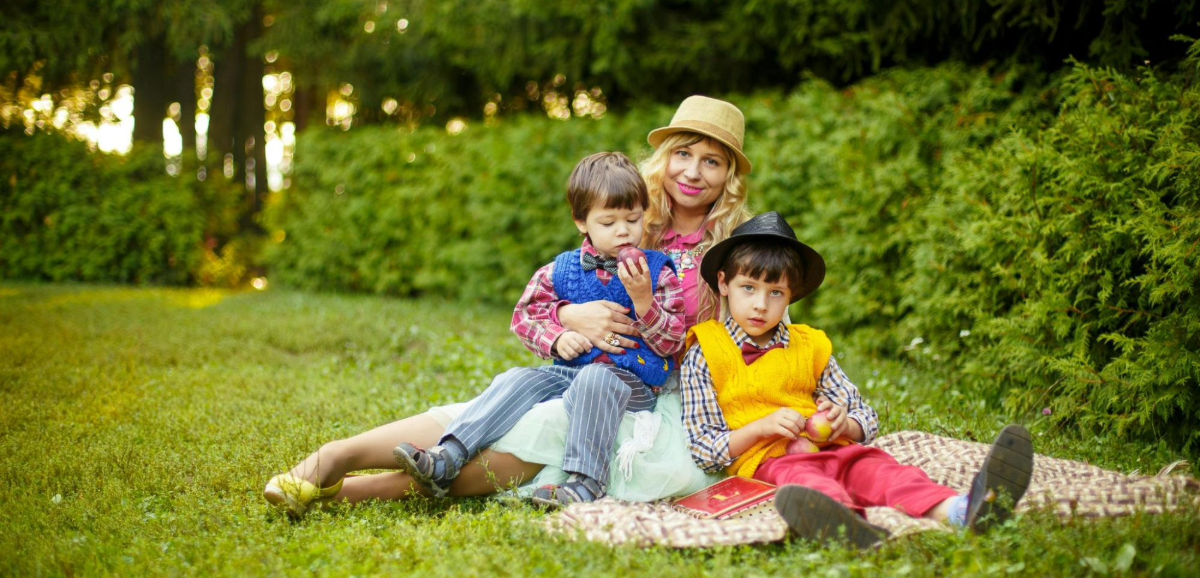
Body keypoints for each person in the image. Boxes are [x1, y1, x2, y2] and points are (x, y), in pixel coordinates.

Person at [263, 95, 842, 516]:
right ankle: (334, 458)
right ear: (664, 158)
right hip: (583, 360)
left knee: (547, 433)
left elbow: (767, 333)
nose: (693, 171)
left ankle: (351, 491)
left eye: (712, 161)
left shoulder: (744, 248)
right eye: (683, 153)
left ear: (730, 177)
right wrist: (569, 318)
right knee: (505, 399)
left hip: (668, 392)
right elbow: (560, 288)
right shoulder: (626, 210)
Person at [681, 211, 1036, 548]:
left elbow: (865, 415)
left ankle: (965, 511)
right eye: (749, 288)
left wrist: (844, 425)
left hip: (834, 449)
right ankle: (845, 527)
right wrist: (762, 427)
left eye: (776, 293)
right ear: (724, 283)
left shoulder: (810, 345)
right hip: (771, 463)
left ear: (791, 296)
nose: (761, 304)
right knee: (809, 485)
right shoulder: (706, 351)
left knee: (885, 471)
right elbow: (705, 449)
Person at [390, 152, 686, 507]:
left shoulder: (658, 272)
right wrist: (558, 336)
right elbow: (525, 316)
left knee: (597, 379)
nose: (623, 231)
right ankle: (449, 455)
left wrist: (643, 301)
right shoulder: (559, 270)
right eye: (608, 222)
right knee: (519, 378)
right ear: (582, 222)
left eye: (633, 219)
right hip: (570, 374)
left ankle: (586, 482)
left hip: (633, 385)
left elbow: (673, 341)